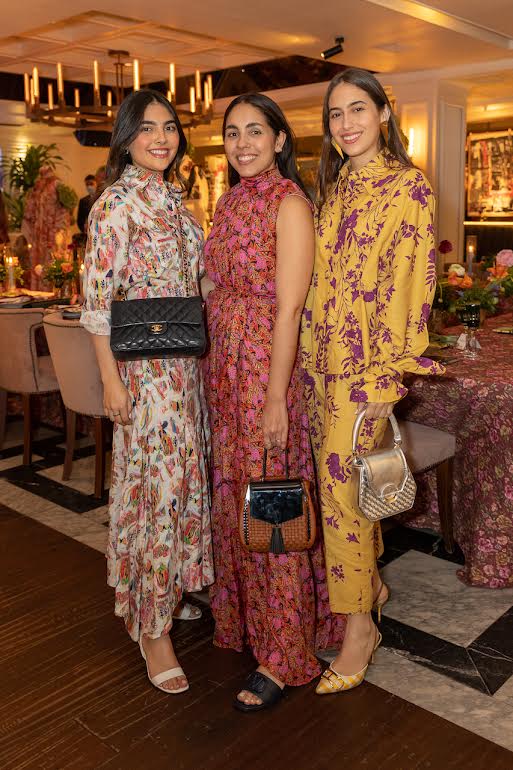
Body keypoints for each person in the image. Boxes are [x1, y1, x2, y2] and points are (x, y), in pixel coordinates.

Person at [301, 68, 443, 695]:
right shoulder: (336, 186)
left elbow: (412, 289)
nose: (347, 123)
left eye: (359, 109)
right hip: (320, 365)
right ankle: (368, 590)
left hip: (366, 373)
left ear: (384, 114)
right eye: (336, 114)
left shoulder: (408, 188)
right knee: (343, 495)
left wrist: (384, 386)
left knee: (347, 500)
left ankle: (360, 629)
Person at [201, 93, 345, 712]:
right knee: (239, 496)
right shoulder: (230, 199)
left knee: (275, 505)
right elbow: (213, 279)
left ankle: (285, 654)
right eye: (233, 134)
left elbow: (289, 306)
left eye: (255, 132)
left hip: (266, 368)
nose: (242, 144)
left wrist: (278, 395)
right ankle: (249, 624)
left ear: (281, 140)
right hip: (225, 370)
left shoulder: (289, 204)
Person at [81, 89, 214, 694]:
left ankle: (168, 589)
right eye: (148, 128)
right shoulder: (115, 205)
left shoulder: (177, 202)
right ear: (126, 136)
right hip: (142, 375)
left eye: (170, 127)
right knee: (154, 493)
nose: (161, 138)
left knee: (182, 484)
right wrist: (110, 380)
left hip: (186, 372)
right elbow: (98, 305)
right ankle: (150, 625)